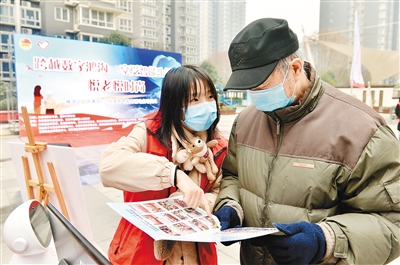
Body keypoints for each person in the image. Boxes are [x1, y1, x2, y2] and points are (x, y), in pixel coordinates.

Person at [213, 18, 400, 265]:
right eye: (250, 89)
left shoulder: (362, 131)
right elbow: (233, 176)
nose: (256, 97)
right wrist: (230, 207)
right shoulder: (246, 121)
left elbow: (391, 221)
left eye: (262, 86)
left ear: (296, 68)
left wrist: (325, 241)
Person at [99, 65, 228, 265]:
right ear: (174, 104)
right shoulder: (147, 133)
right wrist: (174, 175)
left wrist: (198, 205)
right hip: (140, 254)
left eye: (210, 97)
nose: (206, 104)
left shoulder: (218, 146)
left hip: (197, 255)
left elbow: (220, 189)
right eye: (194, 99)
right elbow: (108, 166)